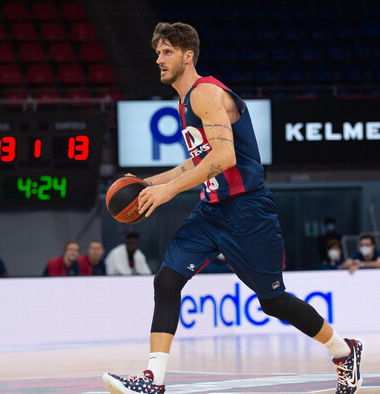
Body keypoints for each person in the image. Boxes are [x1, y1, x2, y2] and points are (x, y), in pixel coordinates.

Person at [101, 22, 364, 394]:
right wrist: (149, 184)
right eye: (157, 52)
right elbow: (197, 162)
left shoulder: (205, 92)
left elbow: (224, 157)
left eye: (166, 52)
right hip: (211, 211)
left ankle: (343, 350)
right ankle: (153, 380)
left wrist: (170, 191)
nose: (158, 59)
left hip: (247, 210)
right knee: (167, 280)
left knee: (273, 301)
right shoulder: (184, 102)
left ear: (187, 55)